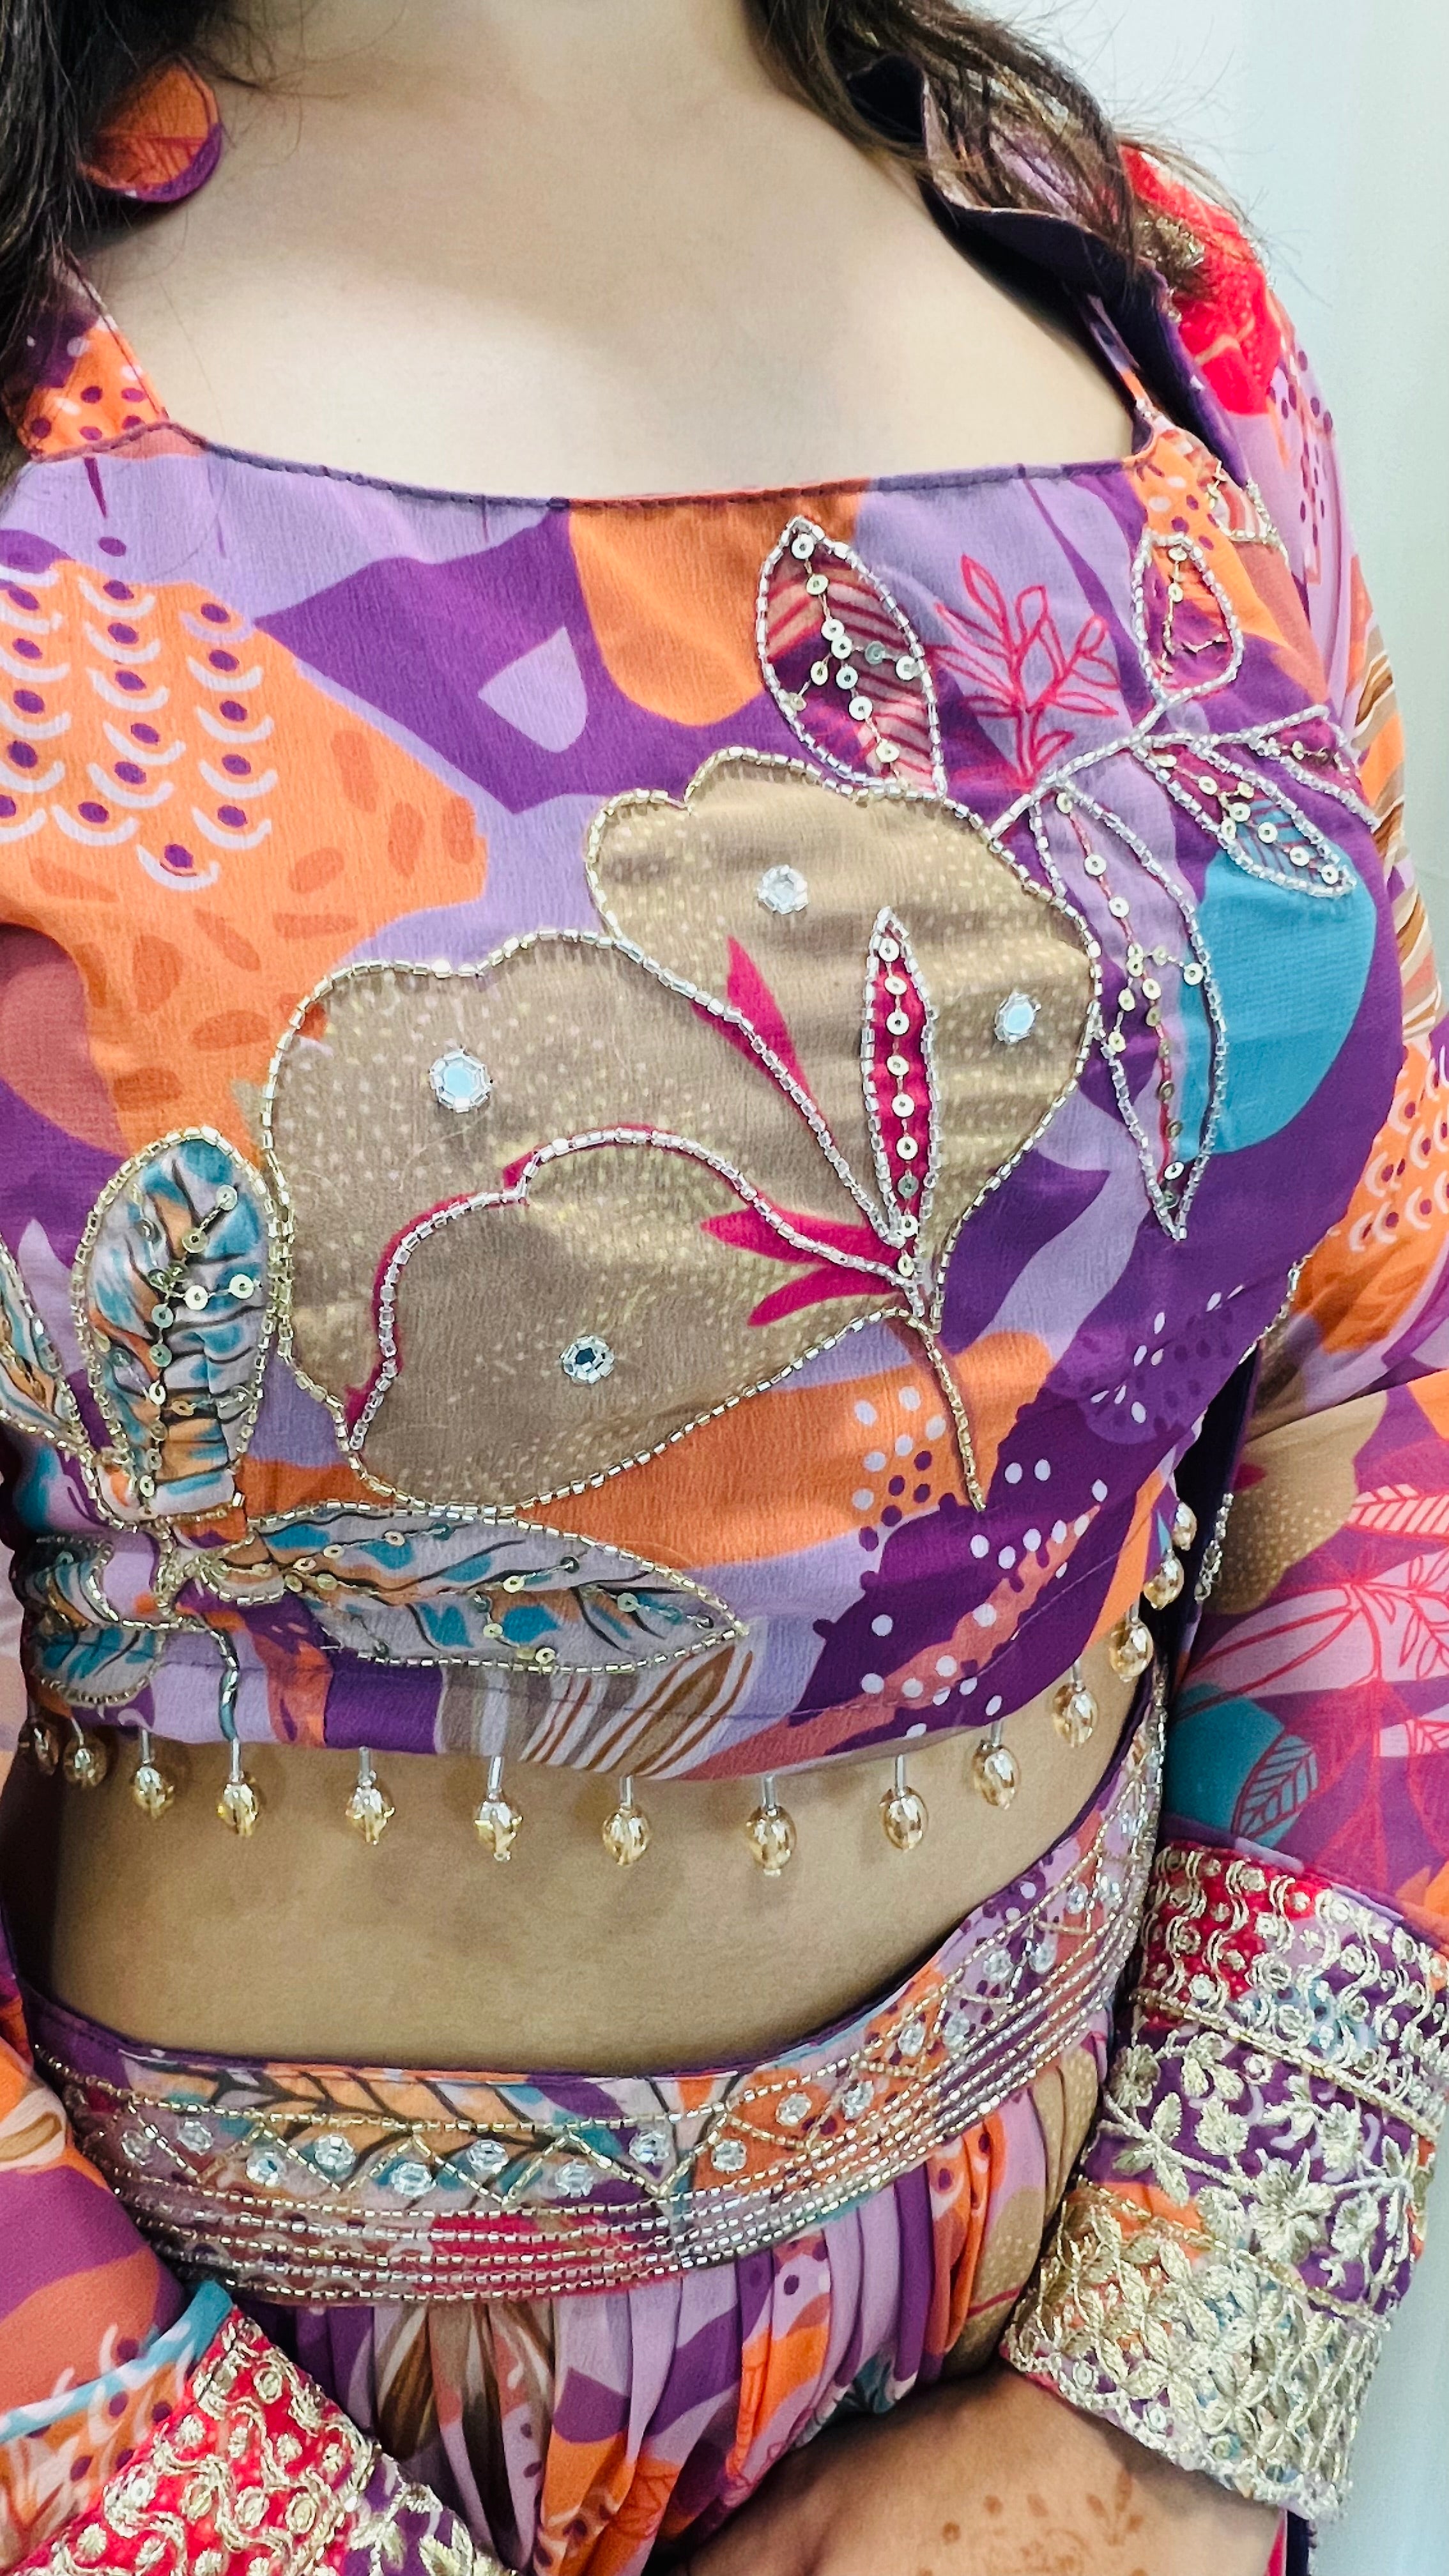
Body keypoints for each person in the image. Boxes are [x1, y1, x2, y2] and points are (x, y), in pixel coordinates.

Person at [0, 4, 1443, 2572]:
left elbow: (1383, 1343)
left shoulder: (1134, 289)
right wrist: (184, 2509)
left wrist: (1152, 2417)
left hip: (1060, 2395)